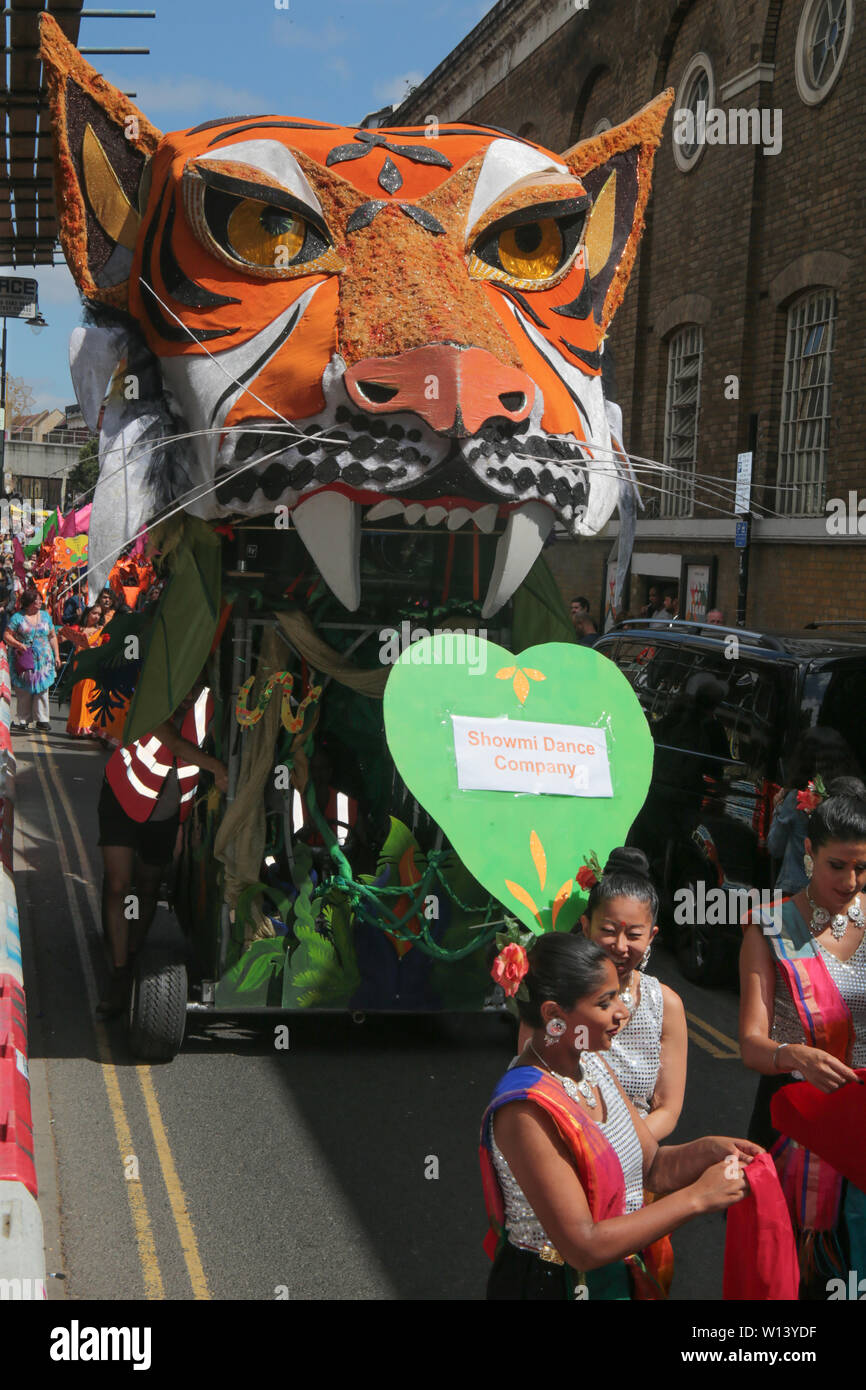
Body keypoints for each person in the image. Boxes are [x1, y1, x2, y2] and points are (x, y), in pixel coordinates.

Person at [482, 933, 759, 1299]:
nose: (622, 1012)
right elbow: (583, 1245)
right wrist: (698, 1198)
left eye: (618, 996)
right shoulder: (526, 1108)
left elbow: (652, 1166)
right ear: (553, 1016)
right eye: (605, 1002)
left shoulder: (593, 1063)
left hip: (610, 1276)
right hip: (552, 1285)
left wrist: (709, 1151)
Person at [739, 780, 866, 1298]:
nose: (851, 881)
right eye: (838, 866)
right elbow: (750, 1043)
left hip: (859, 1117)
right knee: (795, 1274)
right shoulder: (770, 928)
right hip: (796, 1120)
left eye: (862, 867)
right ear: (809, 854)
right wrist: (794, 1055)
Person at [96, 677, 228, 1016]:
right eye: (184, 686)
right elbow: (173, 741)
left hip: (168, 812)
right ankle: (120, 973)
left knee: (149, 885)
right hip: (123, 795)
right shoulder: (153, 690)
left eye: (195, 688)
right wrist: (216, 767)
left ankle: (134, 951)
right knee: (118, 884)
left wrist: (187, 823)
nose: (187, 695)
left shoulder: (216, 705)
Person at [579, 848, 688, 1139]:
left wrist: (617, 1149)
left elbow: (667, 1109)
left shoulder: (666, 1005)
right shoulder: (559, 997)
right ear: (586, 926)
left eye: (634, 935)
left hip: (634, 1157)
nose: (620, 945)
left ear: (652, 936)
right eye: (609, 930)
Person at [767, 728, 860, 898]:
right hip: (840, 895)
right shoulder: (855, 801)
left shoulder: (796, 798)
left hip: (796, 894)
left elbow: (775, 847)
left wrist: (778, 807)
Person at [4, 586, 60, 731]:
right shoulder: (18, 617)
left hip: (44, 659)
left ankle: (42, 719)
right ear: (28, 603)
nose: (40, 602)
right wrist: (18, 644)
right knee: (24, 690)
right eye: (36, 600)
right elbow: (7, 635)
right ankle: (23, 720)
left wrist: (57, 655)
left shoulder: (46, 616)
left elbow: (52, 636)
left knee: (42, 688)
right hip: (25, 658)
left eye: (40, 599)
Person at [64, 606, 106, 738]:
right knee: (80, 696)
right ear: (87, 614)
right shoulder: (79, 629)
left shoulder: (101, 632)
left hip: (94, 667)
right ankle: (78, 727)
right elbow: (63, 636)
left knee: (93, 696)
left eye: (99, 614)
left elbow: (107, 647)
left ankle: (90, 727)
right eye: (94, 613)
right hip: (80, 667)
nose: (96, 616)